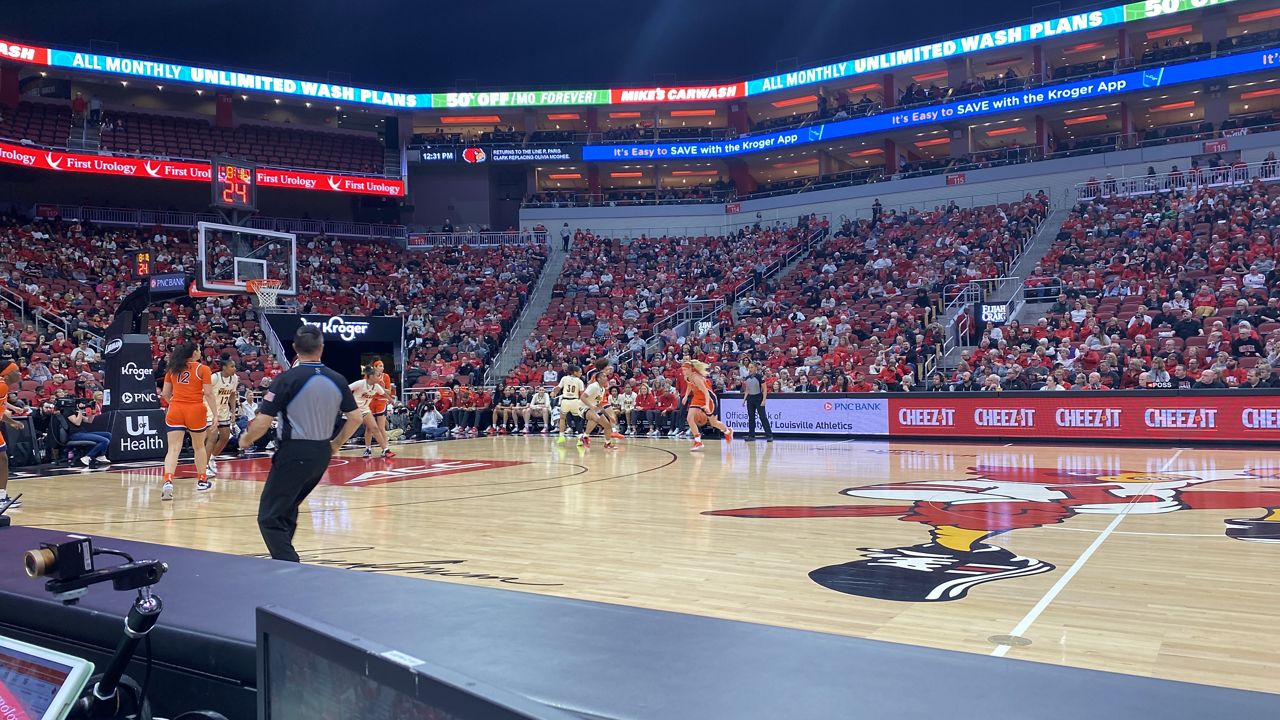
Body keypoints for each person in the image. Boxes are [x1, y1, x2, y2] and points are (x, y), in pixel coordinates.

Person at [240, 326, 362, 562]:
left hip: (294, 451)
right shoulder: (337, 379)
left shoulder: (287, 379)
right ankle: (285, 558)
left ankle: (289, 564)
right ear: (322, 348)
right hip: (322, 453)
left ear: (295, 349)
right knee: (288, 507)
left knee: (269, 517)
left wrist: (246, 439)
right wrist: (335, 444)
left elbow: (263, 422)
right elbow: (355, 417)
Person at [160, 342, 217, 501]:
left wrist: (175, 404)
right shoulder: (203, 369)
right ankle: (201, 480)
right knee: (199, 447)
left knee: (173, 449)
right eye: (198, 349)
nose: (200, 351)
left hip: (176, 409)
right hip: (195, 410)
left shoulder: (173, 368)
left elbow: (165, 393)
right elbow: (208, 394)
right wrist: (216, 414)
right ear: (194, 353)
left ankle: (168, 481)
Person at [681, 359, 733, 451]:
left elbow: (706, 392)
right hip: (697, 397)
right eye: (683, 369)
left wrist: (707, 405)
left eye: (685, 369)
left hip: (709, 398)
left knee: (713, 422)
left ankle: (727, 431)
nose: (683, 371)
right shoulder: (687, 377)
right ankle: (698, 441)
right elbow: (689, 385)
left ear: (690, 369)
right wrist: (685, 396)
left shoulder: (697, 378)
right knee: (689, 418)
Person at [205, 356, 240, 478]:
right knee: (212, 437)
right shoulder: (214, 377)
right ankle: (204, 466)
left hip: (224, 409)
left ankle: (212, 458)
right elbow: (205, 392)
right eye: (232, 366)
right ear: (224, 367)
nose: (234, 368)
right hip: (210, 408)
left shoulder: (234, 378)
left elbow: (232, 395)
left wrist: (233, 412)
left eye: (234, 366)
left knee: (225, 437)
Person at [349, 366, 392, 458]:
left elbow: (384, 393)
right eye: (377, 375)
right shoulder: (360, 383)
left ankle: (385, 450)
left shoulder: (376, 386)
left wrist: (392, 400)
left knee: (374, 428)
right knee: (348, 431)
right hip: (354, 409)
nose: (380, 378)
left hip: (365, 409)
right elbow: (347, 389)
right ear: (371, 376)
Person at [0, 363, 23, 507]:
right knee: (2, 460)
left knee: (2, 459)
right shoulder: (1, 385)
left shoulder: (4, 386)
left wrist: (11, 421)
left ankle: (1, 496)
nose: (20, 374)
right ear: (8, 374)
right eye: (17, 371)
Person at [65, 399, 111, 469]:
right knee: (105, 441)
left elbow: (89, 421)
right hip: (74, 435)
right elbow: (77, 423)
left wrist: (93, 413)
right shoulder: (67, 412)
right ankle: (87, 457)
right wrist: (80, 410)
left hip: (83, 433)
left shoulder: (76, 412)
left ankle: (101, 456)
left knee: (108, 435)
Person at [367, 359, 396, 456]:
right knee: (369, 428)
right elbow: (365, 388)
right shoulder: (369, 376)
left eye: (383, 366)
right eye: (380, 366)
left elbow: (388, 392)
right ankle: (368, 448)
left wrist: (381, 387)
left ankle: (386, 449)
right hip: (370, 402)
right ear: (375, 367)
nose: (382, 368)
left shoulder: (386, 376)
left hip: (381, 402)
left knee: (381, 427)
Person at [742, 362, 773, 442]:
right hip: (750, 399)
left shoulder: (760, 377)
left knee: (763, 417)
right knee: (751, 418)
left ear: (755, 368)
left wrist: (764, 400)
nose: (750, 369)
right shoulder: (747, 378)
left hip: (758, 398)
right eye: (749, 367)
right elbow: (747, 390)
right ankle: (751, 435)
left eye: (752, 367)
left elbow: (765, 389)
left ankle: (769, 435)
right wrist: (744, 400)